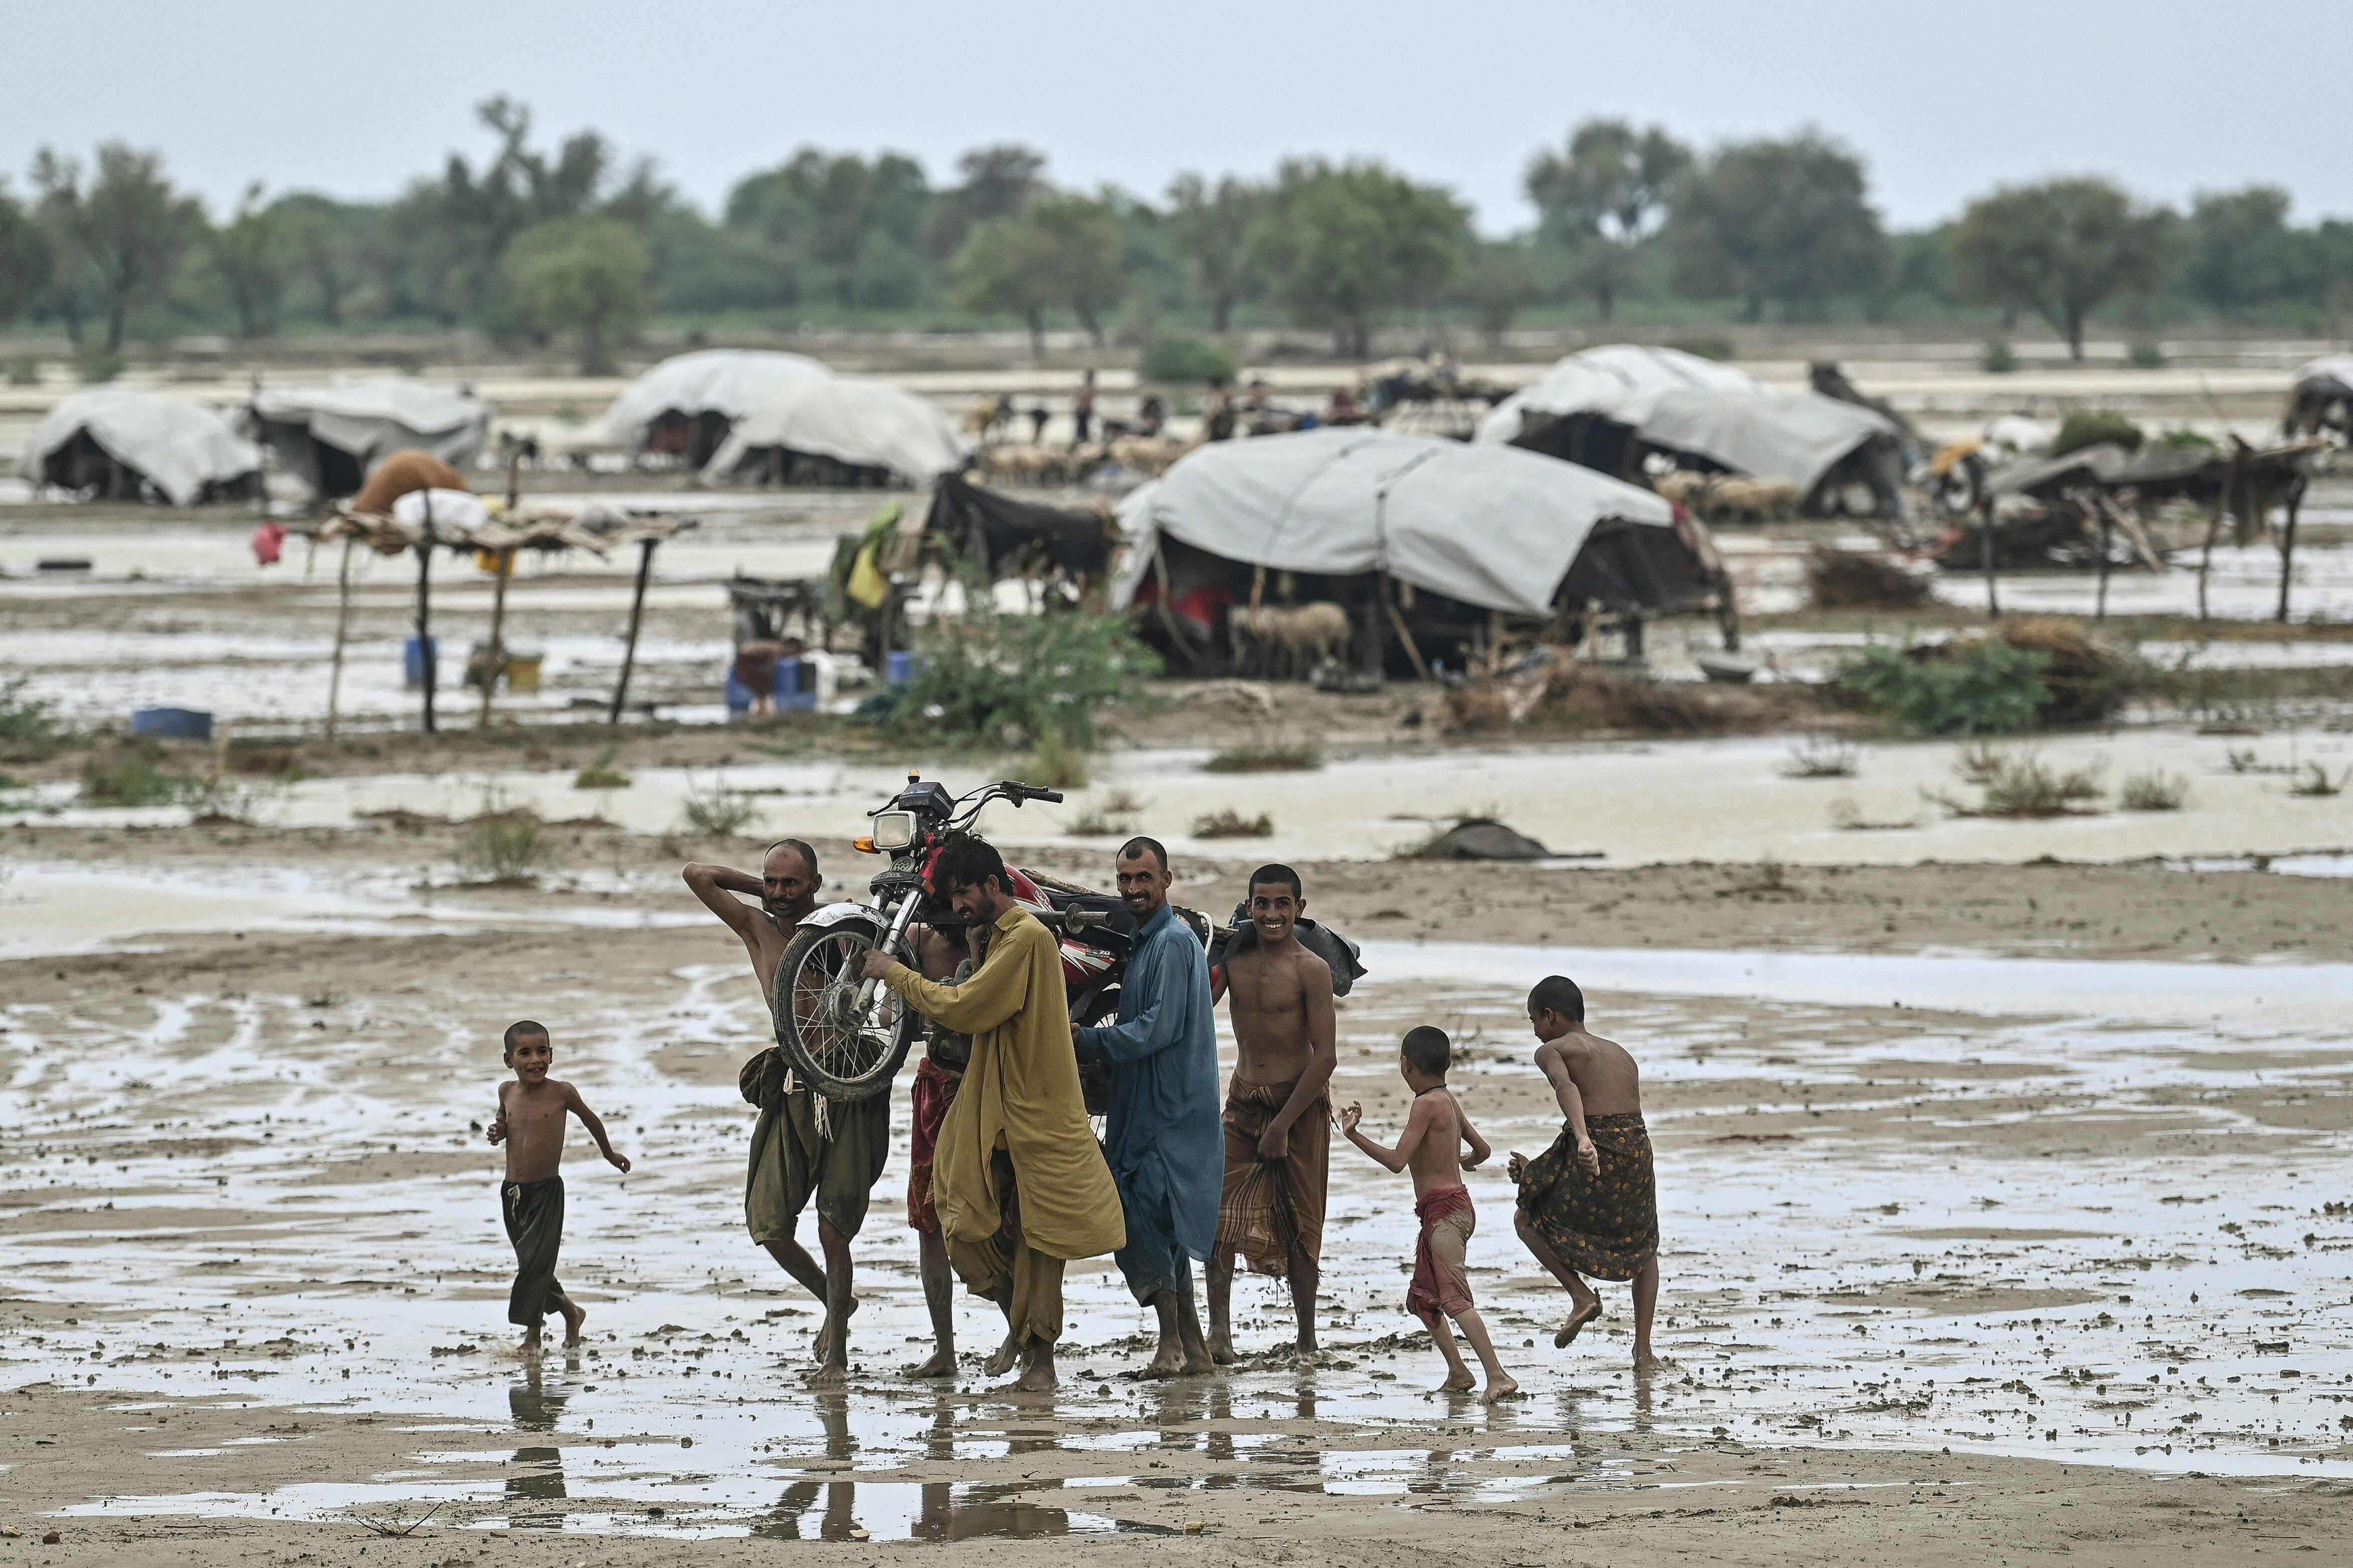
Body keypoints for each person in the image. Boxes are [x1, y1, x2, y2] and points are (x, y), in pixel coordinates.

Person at [861, 836, 1124, 1391]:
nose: (956, 908)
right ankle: (1022, 1334)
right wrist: (977, 949)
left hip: (1040, 1111)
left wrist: (894, 973)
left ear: (990, 886)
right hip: (996, 1105)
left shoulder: (1027, 937)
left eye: (963, 894)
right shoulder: (1000, 937)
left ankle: (1041, 1365)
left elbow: (967, 1008)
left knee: (1039, 1240)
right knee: (959, 1215)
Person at [681, 841, 889, 1382]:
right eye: (772, 882)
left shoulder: (839, 932)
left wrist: (816, 910)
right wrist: (767, 897)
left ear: (815, 884)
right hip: (794, 1083)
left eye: (791, 883)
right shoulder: (758, 928)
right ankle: (835, 1302)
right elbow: (697, 873)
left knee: (833, 1227)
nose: (779, 893)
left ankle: (838, 1357)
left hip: (848, 1084)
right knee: (769, 1224)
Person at [1073, 837, 1221, 1377]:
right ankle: (1196, 1350)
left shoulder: (1175, 944)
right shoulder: (1143, 944)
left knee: (1141, 1221)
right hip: (1143, 1107)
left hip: (1171, 1109)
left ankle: (1170, 1345)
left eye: (1143, 878)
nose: (1133, 888)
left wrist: (1084, 1041)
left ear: (1166, 881)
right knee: (1158, 1223)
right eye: (1125, 879)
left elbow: (1157, 1030)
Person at [1340, 1027, 1517, 1402]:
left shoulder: (1425, 1104)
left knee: (1454, 1300)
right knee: (1423, 1299)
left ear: (1406, 1065)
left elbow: (1396, 1161)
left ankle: (1498, 1375)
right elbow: (1482, 1150)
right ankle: (1458, 1372)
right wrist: (1461, 1160)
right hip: (1454, 1208)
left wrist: (1354, 1135)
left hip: (1444, 1216)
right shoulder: (1448, 1100)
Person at [1207, 864, 1337, 1361]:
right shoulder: (1235, 963)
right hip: (1243, 1101)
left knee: (1303, 1223)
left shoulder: (1311, 969)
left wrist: (1282, 1125)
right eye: (1261, 904)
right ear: (1248, 908)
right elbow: (1197, 1007)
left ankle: (1306, 1340)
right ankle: (1220, 1334)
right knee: (1217, 1219)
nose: (1272, 914)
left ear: (1299, 910)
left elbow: (1325, 1056)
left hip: (1299, 1107)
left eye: (1282, 904)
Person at [1508, 975, 1662, 1371]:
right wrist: (1540, 1170)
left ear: (1550, 1016)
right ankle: (1643, 1353)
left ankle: (1581, 1295)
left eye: (1533, 1021)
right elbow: (1620, 1114)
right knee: (1644, 1245)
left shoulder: (1553, 1050)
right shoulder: (1621, 1053)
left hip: (1598, 1144)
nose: (1535, 1031)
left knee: (1526, 1217)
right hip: (1637, 1149)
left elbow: (1567, 1088)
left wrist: (1582, 1140)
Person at [486, 1020, 631, 1353]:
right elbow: (503, 1121)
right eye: (525, 1053)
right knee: (530, 1263)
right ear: (509, 1060)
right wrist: (499, 1131)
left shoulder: (562, 1092)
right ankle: (571, 1312)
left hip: (547, 1192)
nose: (535, 1059)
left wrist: (608, 1153)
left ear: (552, 1055)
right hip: (512, 1193)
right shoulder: (506, 1091)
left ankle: (532, 1336)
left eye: (542, 1051)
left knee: (536, 1265)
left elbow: (591, 1119)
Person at [1072, 370, 1097, 448]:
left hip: (1084, 410)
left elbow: (1086, 400)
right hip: (1083, 410)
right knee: (1082, 427)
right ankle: (1082, 441)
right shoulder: (1088, 388)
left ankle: (1083, 441)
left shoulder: (1088, 389)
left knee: (1083, 427)